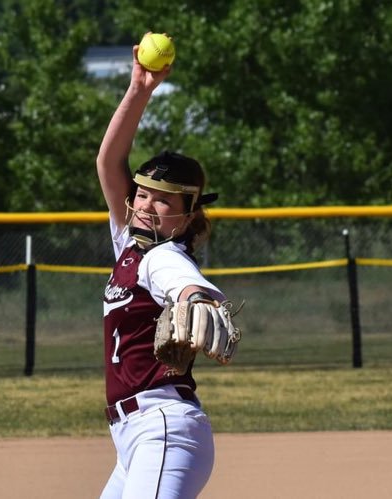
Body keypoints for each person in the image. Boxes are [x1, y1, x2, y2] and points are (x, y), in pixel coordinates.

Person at [94, 39, 235, 499]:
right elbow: (109, 163)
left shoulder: (162, 257)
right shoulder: (129, 246)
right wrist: (139, 88)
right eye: (143, 194)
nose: (147, 205)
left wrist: (195, 297)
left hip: (163, 429)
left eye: (164, 199)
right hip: (132, 438)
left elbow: (186, 284)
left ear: (188, 214)